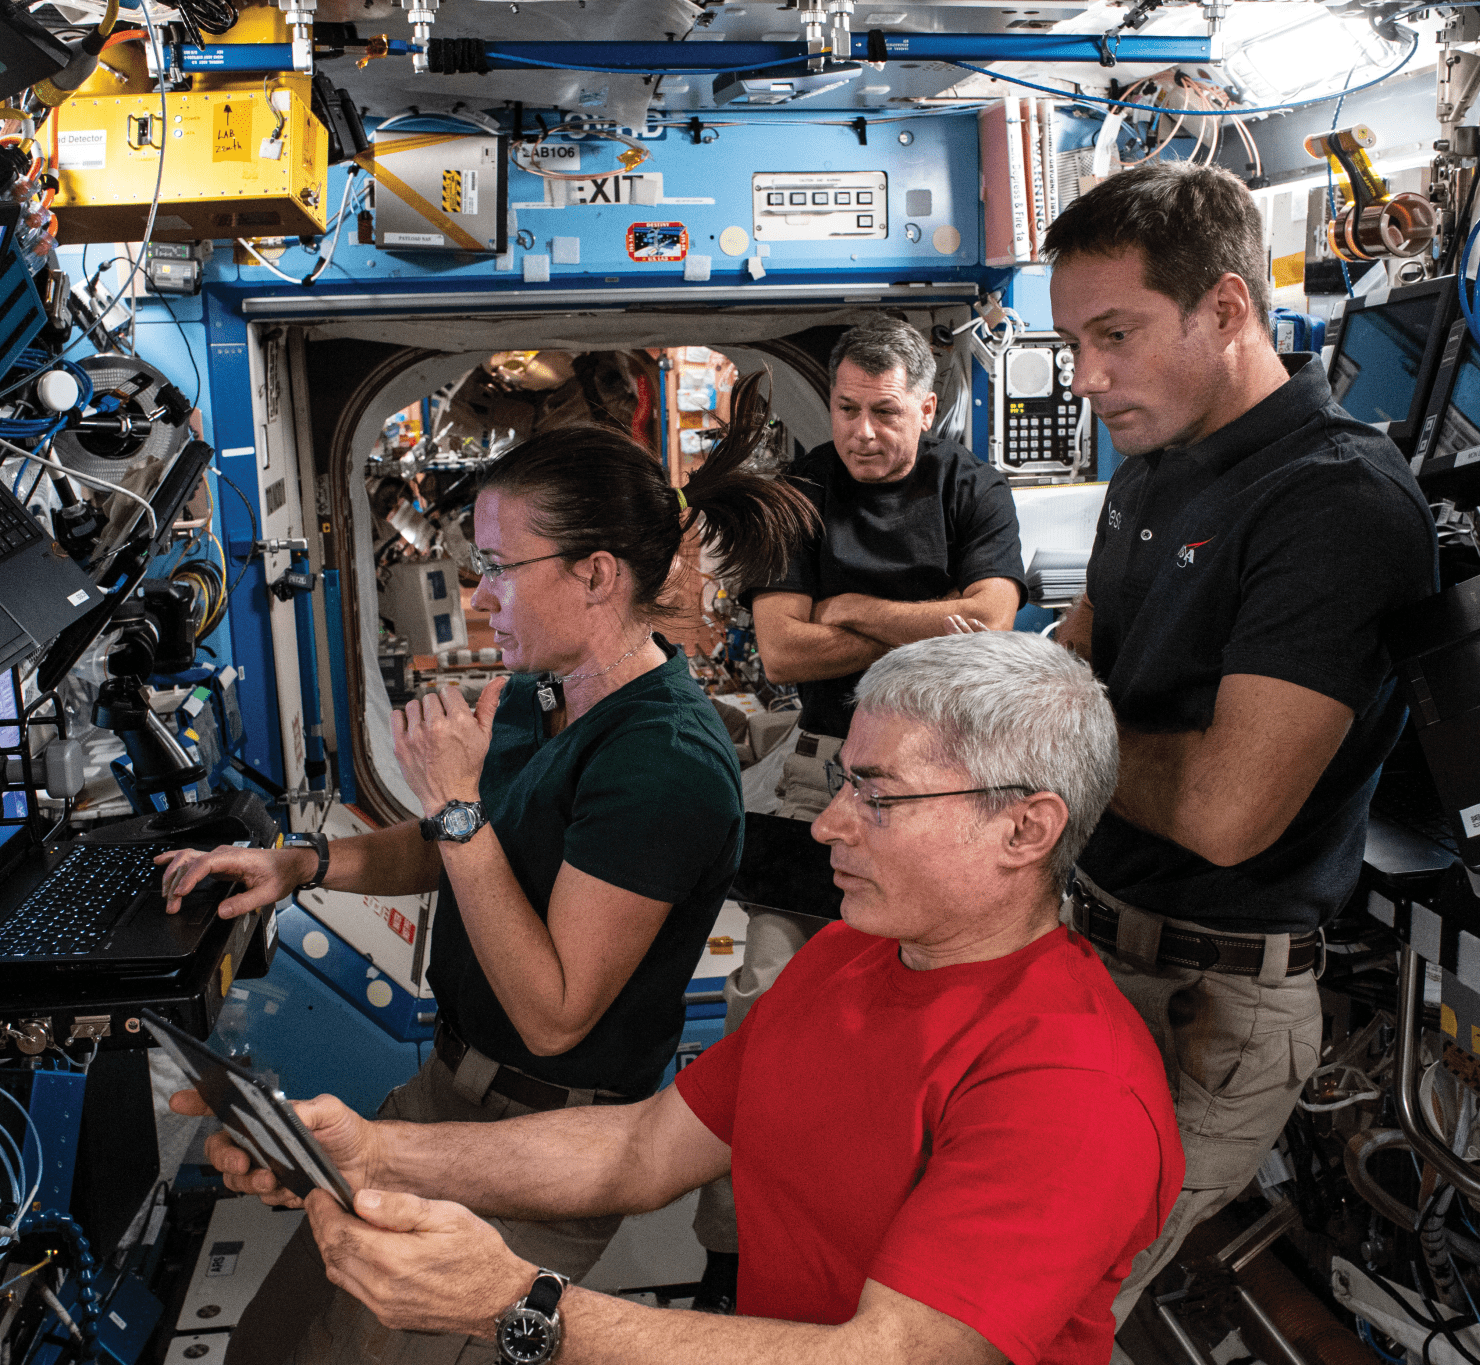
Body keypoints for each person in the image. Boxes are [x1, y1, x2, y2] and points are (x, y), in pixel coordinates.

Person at [177, 631, 1182, 1365]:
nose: (827, 824)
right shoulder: (847, 962)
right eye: (841, 782)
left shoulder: (1068, 1083)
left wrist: (514, 1304)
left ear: (1024, 829)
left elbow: (892, 1353)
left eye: (875, 795)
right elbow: (639, 1149)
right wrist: (368, 1150)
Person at [155, 374, 813, 1365]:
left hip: (540, 1149)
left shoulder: (661, 763)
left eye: (502, 566)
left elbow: (554, 1009)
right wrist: (300, 863)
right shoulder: (538, 694)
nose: (478, 593)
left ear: (595, 576)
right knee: (276, 1340)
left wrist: (457, 808)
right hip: (442, 1102)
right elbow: (458, 852)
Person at [1042, 162, 1439, 1322]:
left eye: (1113, 335)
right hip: (1094, 947)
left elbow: (1224, 810)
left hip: (1208, 1004)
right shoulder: (1151, 466)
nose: (1087, 378)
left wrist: (1042, 722)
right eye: (1070, 343)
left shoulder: (1333, 503)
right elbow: (1083, 642)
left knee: (1037, 1320)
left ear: (1225, 307)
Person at [691, 317, 1028, 1300]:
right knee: (767, 1013)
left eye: (886, 412)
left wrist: (852, 614)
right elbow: (787, 652)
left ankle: (904, 1253)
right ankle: (732, 1249)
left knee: (925, 1021)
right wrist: (928, 623)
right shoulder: (801, 490)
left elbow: (994, 624)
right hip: (820, 774)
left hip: (942, 781)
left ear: (926, 406)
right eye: (847, 409)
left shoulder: (969, 489)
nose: (864, 431)